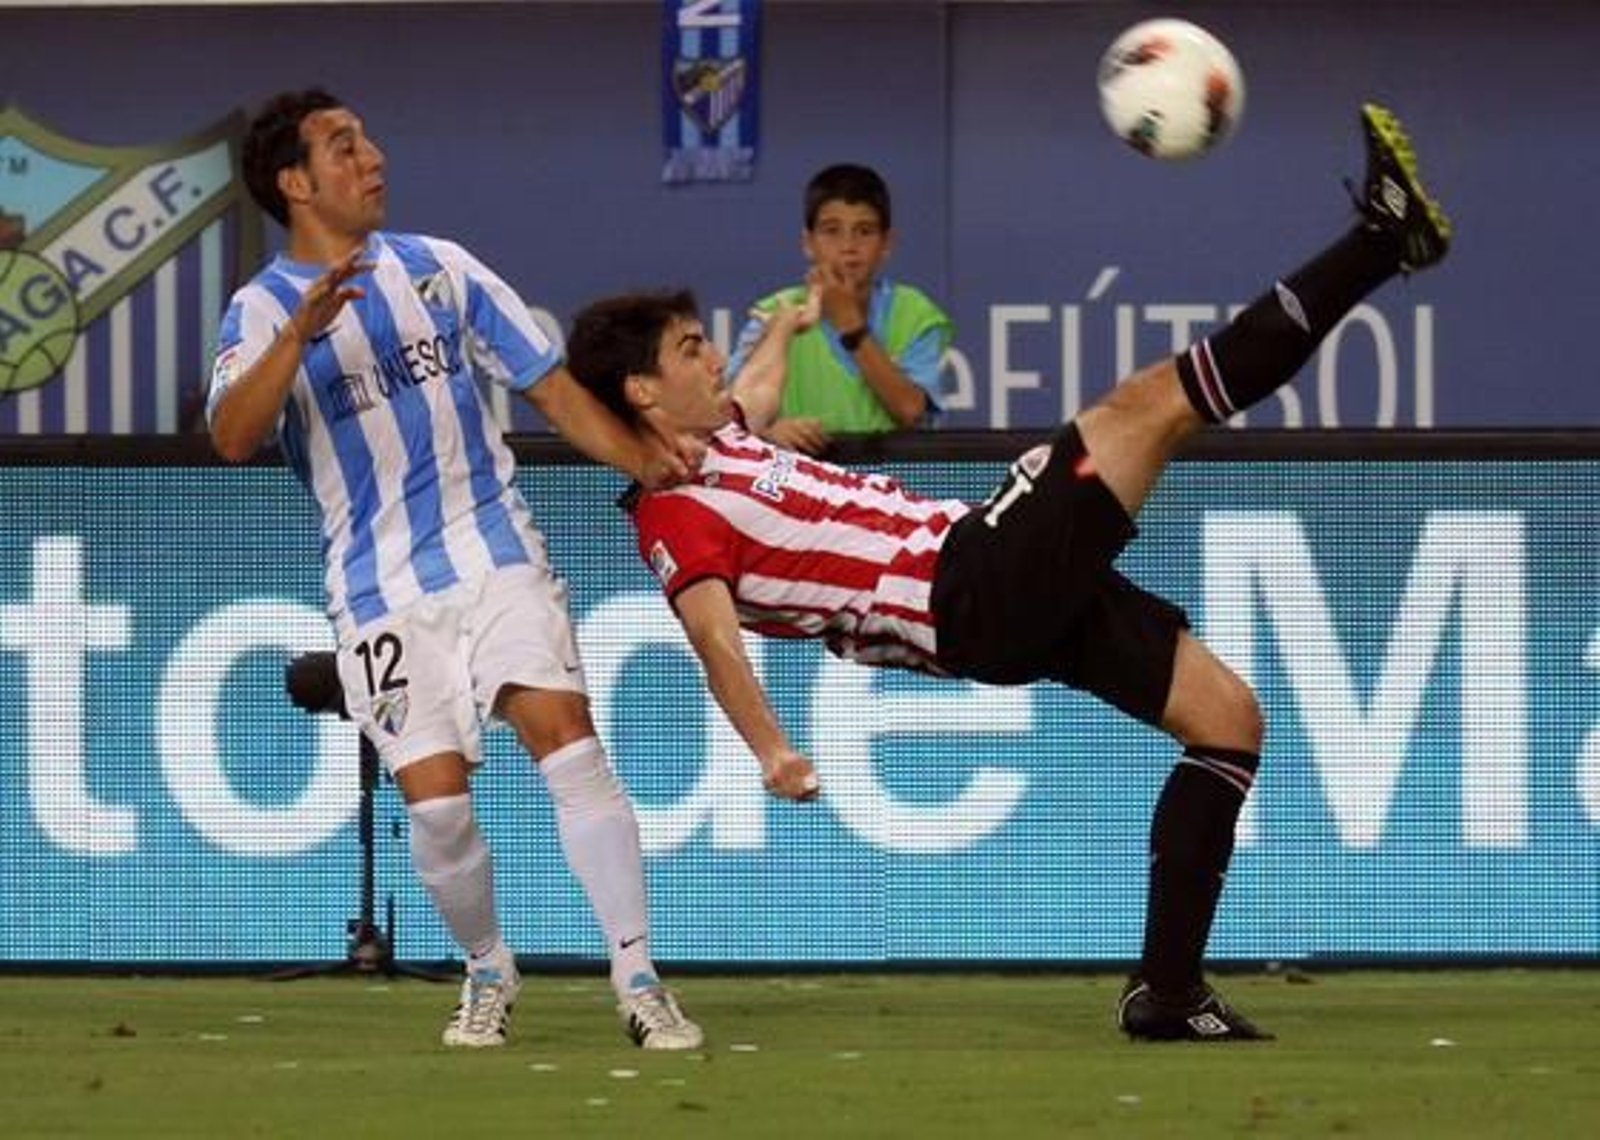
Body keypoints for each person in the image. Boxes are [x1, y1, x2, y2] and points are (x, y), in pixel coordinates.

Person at [564, 104, 1451, 1041]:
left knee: (1228, 723)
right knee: (1149, 406)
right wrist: (770, 749)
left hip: (988, 589)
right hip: (969, 585)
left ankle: (1169, 993)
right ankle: (1381, 238)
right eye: (691, 349)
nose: (714, 359)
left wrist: (789, 326)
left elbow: (760, 387)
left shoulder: (722, 440)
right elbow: (710, 634)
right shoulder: (673, 514)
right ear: (643, 392)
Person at [206, 89, 703, 1051]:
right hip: (376, 592)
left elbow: (550, 386)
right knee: (434, 809)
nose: (375, 157)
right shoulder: (258, 311)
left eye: (369, 137)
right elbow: (231, 434)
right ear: (296, 183)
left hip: (494, 552)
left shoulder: (442, 268)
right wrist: (298, 337)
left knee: (566, 741)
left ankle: (640, 979)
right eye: (345, 147)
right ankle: (487, 968)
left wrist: (646, 462)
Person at [725, 163, 952, 456]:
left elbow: (911, 411)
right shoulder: (773, 313)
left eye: (864, 231)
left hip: (889, 487)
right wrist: (768, 431)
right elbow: (727, 419)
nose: (848, 246)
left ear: (887, 243)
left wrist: (849, 322)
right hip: (794, 483)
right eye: (832, 231)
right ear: (808, 243)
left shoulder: (916, 315)